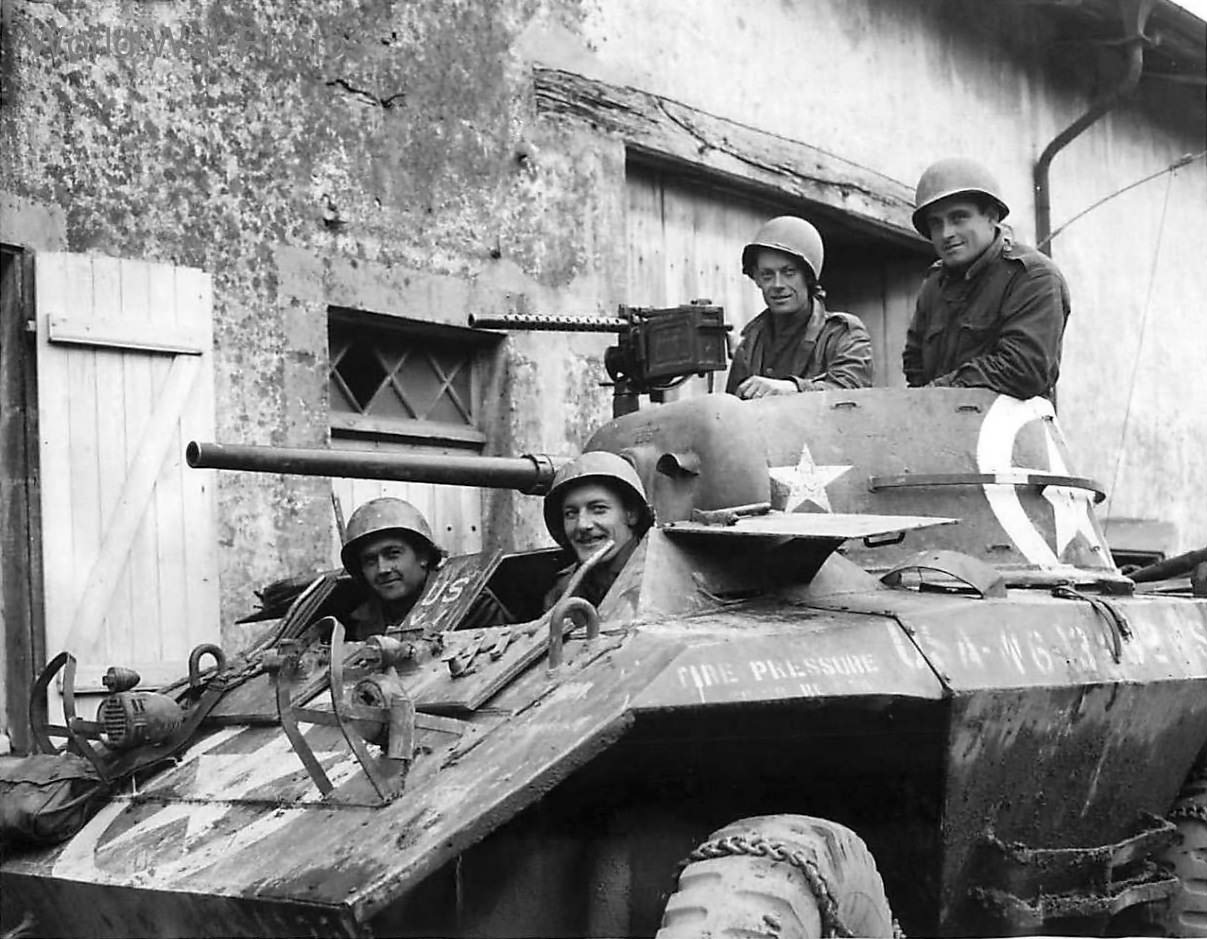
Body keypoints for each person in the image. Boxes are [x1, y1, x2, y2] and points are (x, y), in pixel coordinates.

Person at [903, 157, 1070, 400]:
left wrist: (936, 393)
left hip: (1007, 423)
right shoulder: (935, 283)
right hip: (941, 418)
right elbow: (914, 363)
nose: (946, 233)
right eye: (936, 223)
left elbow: (1024, 369)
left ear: (991, 217)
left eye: (958, 218)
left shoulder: (1033, 276)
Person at [726, 215, 874, 398]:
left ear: (808, 277)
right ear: (757, 279)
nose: (777, 284)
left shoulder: (842, 333)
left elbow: (853, 392)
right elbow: (732, 407)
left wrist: (793, 388)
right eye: (767, 275)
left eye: (789, 273)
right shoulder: (751, 341)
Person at [541, 451, 654, 612]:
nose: (582, 525)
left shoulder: (661, 580)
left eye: (598, 509)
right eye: (571, 514)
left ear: (631, 514)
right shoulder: (563, 592)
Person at [339, 497, 445, 639]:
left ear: (423, 556)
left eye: (392, 554)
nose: (382, 569)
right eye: (370, 561)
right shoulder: (355, 625)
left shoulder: (463, 603)